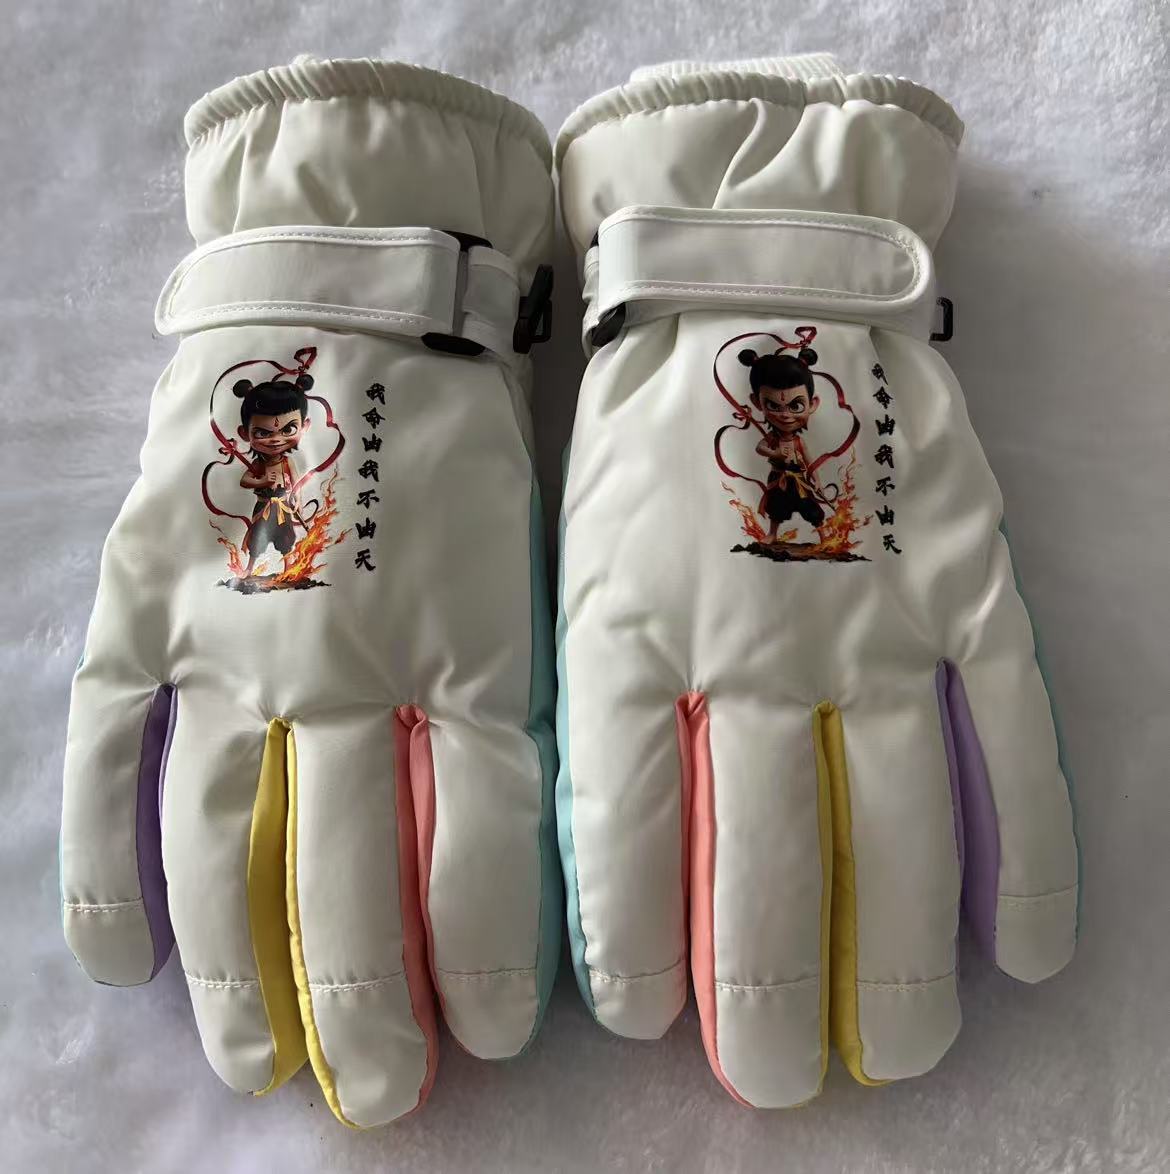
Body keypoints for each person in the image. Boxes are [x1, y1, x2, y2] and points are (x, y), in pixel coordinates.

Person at [232, 372, 314, 577]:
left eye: (289, 429)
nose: (276, 439)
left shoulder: (287, 462)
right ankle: (249, 568)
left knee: (286, 538)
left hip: (283, 506)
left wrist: (298, 500)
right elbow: (244, 480)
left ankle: (288, 568)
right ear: (245, 433)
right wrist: (261, 480)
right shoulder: (259, 463)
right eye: (263, 433)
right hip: (264, 507)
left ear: (304, 427)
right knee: (256, 538)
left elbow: (297, 483)